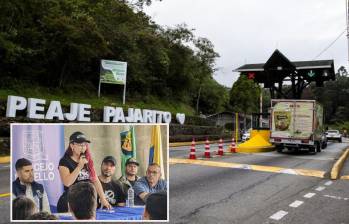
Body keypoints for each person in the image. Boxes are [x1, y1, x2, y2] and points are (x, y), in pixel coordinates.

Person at [57, 131, 111, 212]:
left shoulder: (87, 159)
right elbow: (67, 182)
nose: (83, 148)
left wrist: (103, 199)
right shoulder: (64, 161)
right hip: (71, 202)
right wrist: (79, 167)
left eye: (84, 145)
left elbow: (95, 180)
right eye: (80, 145)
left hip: (87, 201)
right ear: (72, 145)